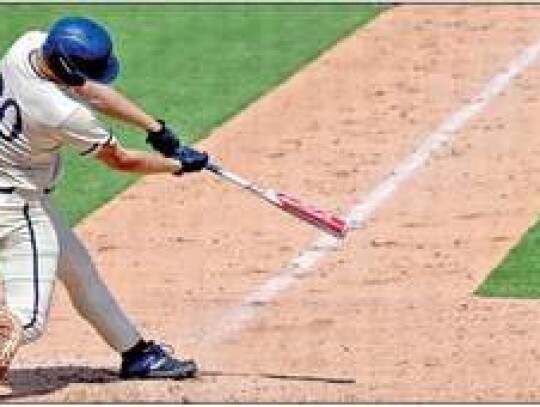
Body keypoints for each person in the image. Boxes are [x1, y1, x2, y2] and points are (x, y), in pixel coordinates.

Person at [0, 16, 209, 381]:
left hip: (20, 190)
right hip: (17, 206)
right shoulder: (61, 113)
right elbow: (120, 159)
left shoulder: (29, 45)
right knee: (27, 320)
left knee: (79, 272)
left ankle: (137, 354)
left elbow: (88, 88)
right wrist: (176, 165)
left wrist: (155, 128)